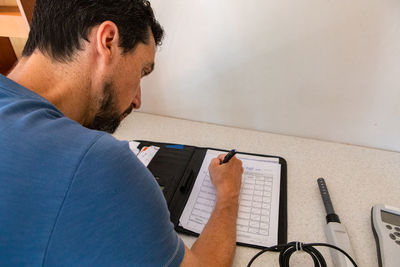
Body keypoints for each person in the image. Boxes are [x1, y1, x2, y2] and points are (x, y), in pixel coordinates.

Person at [0, 0, 243, 266]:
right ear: (107, 41)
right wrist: (227, 195)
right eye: (142, 71)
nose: (138, 100)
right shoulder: (94, 162)